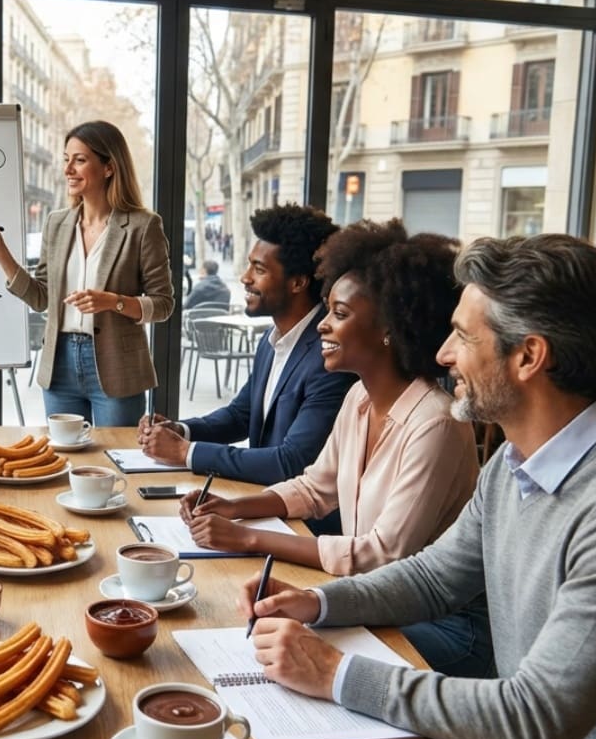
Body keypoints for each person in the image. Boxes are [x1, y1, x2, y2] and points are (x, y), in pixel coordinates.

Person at [241, 234, 596, 739]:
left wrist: (334, 672)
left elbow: (534, 721)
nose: (443, 354)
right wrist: (314, 602)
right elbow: (432, 579)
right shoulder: (514, 463)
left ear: (529, 357)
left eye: (464, 337)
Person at [182, 219, 475, 575]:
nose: (322, 324)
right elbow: (314, 489)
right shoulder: (358, 398)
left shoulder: (435, 423)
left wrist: (245, 537)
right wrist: (233, 507)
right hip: (367, 595)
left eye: (339, 314)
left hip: (420, 624)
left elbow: (382, 554)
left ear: (388, 328)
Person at [138, 204, 355, 492]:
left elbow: (291, 462)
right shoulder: (272, 340)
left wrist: (184, 452)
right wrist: (180, 430)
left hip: (302, 524)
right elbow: (241, 415)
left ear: (298, 282)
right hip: (263, 500)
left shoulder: (328, 357)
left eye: (259, 269)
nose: (245, 277)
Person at [0, 120, 174, 426]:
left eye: (79, 160)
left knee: (115, 461)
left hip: (117, 367)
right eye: (66, 160)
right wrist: (0, 253)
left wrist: (113, 301)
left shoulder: (143, 226)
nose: (68, 170)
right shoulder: (57, 223)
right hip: (60, 362)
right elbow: (41, 298)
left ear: (109, 167)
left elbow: (163, 304)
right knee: (65, 462)